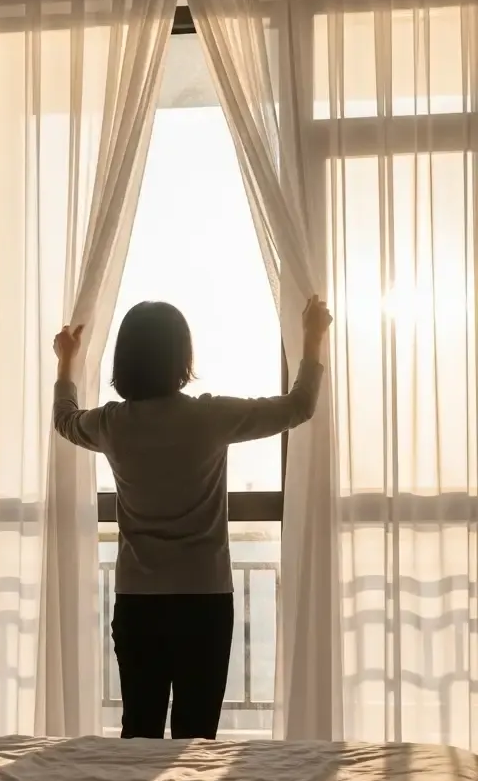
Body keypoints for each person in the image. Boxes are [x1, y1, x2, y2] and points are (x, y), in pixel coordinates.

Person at [52, 295, 332, 740]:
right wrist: (313, 339)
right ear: (182, 357)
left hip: (139, 599)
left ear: (125, 360)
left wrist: (66, 362)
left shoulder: (112, 423)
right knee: (196, 737)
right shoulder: (209, 416)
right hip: (204, 598)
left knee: (139, 730)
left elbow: (64, 419)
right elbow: (298, 406)